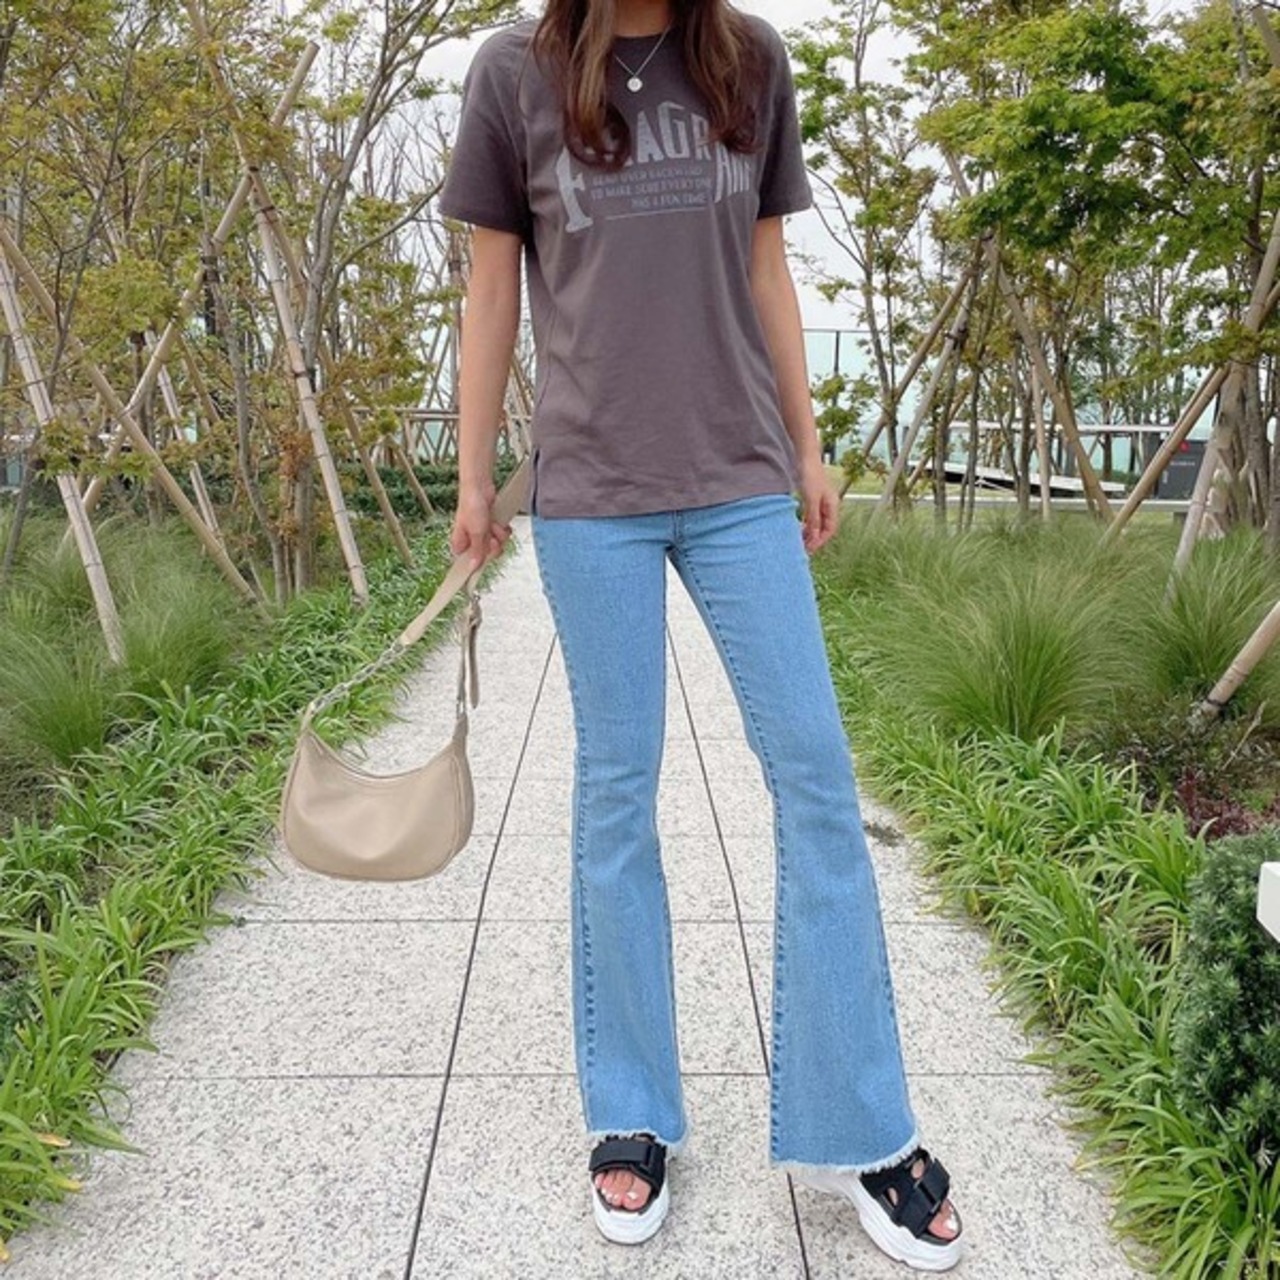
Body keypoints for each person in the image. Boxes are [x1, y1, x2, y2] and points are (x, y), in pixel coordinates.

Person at [439, 0, 965, 1269]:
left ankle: (862, 1124)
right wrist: (471, 477)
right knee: (616, 794)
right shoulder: (512, 74)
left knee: (817, 781)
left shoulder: (746, 59)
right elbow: (491, 287)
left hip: (738, 483)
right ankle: (630, 1112)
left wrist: (807, 446)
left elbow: (766, 266)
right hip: (591, 496)